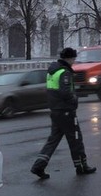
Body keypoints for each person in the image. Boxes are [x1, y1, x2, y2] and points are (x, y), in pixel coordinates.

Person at [31, 47, 96, 179]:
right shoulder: (64, 72)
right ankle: (81, 166)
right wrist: (74, 100)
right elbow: (65, 92)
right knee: (76, 139)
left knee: (53, 140)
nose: (74, 61)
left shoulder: (52, 71)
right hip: (66, 111)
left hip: (55, 110)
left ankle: (39, 166)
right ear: (69, 58)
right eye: (73, 58)